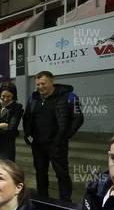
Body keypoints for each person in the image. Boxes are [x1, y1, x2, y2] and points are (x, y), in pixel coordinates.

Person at [23, 70, 84, 201]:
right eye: (38, 84)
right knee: (40, 173)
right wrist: (27, 134)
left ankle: (65, 204)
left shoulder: (69, 96)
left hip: (57, 144)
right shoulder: (33, 99)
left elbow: (78, 119)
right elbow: (27, 118)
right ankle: (43, 201)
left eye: (43, 84)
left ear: (52, 82)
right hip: (38, 144)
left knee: (62, 174)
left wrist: (64, 137)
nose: (40, 87)